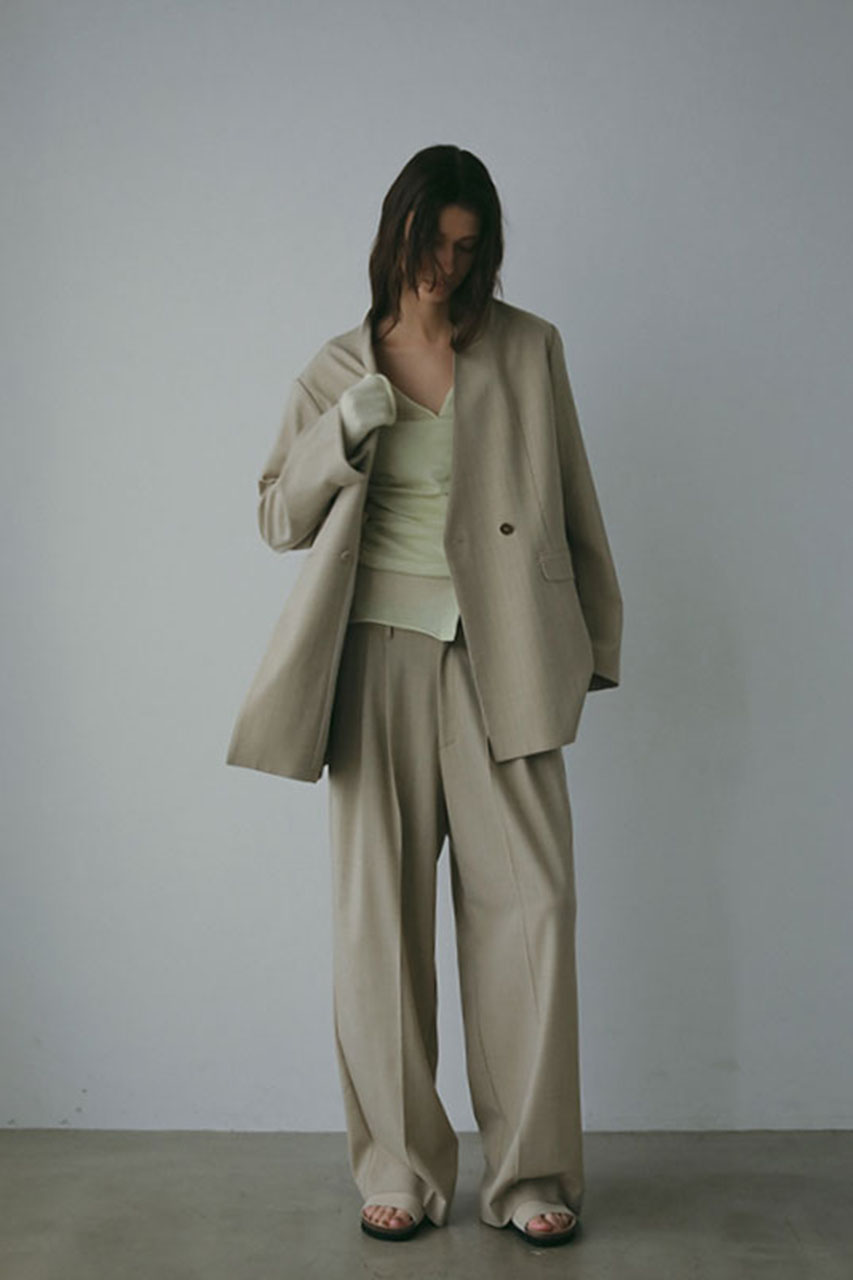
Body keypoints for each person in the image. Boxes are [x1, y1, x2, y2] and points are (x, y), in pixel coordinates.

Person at [228, 144, 623, 1246]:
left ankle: (531, 1173)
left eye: (465, 246)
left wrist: (592, 644)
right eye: (430, 241)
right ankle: (398, 1165)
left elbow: (576, 503)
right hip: (374, 661)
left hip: (505, 660)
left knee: (532, 914)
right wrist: (345, 425)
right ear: (395, 231)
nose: (444, 266)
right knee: (380, 926)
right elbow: (276, 517)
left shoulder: (529, 349)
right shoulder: (336, 368)